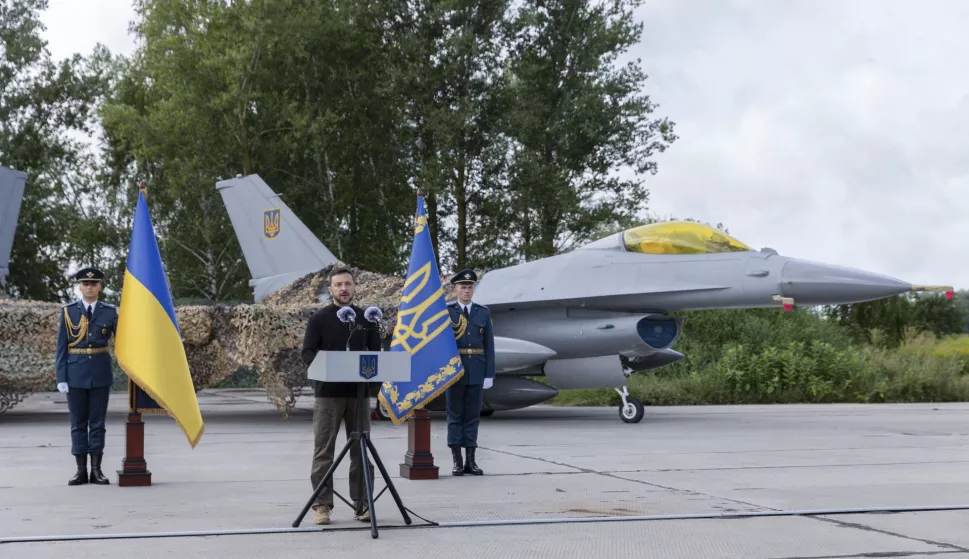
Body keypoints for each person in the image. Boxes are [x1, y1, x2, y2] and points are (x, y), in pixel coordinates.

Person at [300, 267, 380, 525]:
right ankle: (322, 505)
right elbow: (307, 353)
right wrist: (326, 367)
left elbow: (376, 355)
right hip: (328, 395)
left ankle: (363, 504)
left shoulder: (366, 318)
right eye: (338, 285)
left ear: (355, 287)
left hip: (358, 395)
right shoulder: (319, 319)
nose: (343, 289)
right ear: (331, 290)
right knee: (324, 450)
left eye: (347, 284)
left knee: (361, 449)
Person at [54, 266, 117, 486]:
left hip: (100, 372)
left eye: (93, 284)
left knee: (98, 423)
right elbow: (62, 347)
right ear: (80, 287)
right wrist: (61, 377)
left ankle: (96, 470)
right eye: (85, 284)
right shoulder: (68, 311)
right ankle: (80, 470)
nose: (89, 287)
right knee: (78, 422)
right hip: (75, 373)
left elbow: (123, 342)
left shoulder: (110, 312)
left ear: (100, 287)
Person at [445, 268, 495, 476]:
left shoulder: (483, 313)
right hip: (455, 370)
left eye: (469, 287)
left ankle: (471, 462)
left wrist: (489, 373)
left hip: (476, 369)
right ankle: (457, 461)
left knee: (472, 417)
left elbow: (489, 344)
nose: (466, 291)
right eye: (463, 287)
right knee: (455, 415)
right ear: (455, 290)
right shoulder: (447, 312)